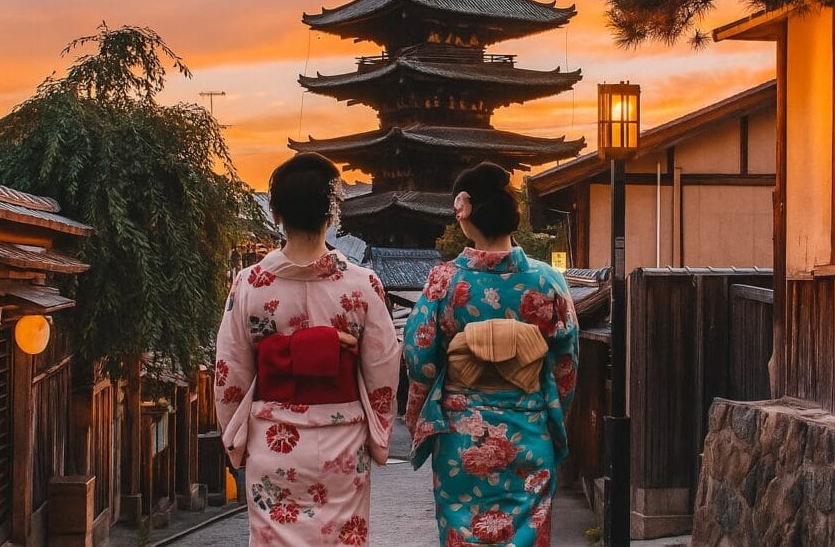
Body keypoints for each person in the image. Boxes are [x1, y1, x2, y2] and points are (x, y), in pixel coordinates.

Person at [215, 152, 400, 546]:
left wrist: (237, 437)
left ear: (276, 214)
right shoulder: (363, 284)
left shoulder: (250, 284)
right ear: (331, 214)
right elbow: (384, 368)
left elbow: (229, 373)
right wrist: (378, 431)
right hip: (343, 441)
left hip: (274, 439)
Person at [403, 162, 578, 546]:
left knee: (463, 534)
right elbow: (565, 365)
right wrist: (548, 416)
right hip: (527, 432)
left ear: (463, 212)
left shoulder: (445, 281)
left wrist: (419, 417)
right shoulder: (547, 280)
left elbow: (421, 358)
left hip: (462, 438)